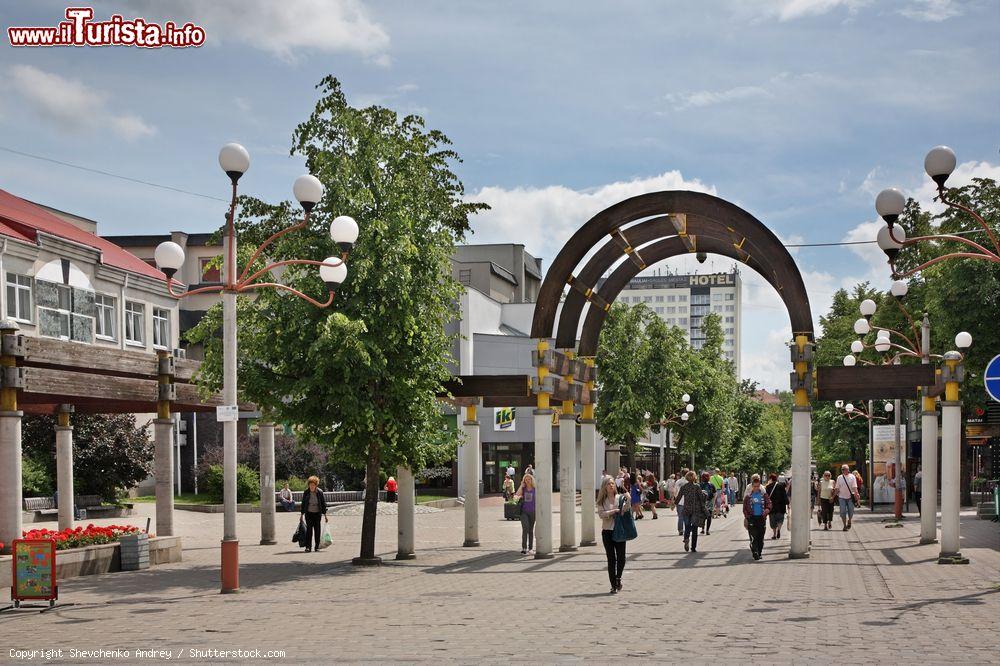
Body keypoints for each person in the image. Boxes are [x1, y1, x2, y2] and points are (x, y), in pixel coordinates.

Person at [597, 475, 629, 593]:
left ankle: (618, 578)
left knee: (621, 558)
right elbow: (601, 514)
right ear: (604, 487)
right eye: (608, 484)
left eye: (612, 483)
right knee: (611, 559)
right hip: (607, 532)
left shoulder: (620, 498)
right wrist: (613, 511)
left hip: (619, 531)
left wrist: (628, 500)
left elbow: (626, 511)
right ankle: (613, 585)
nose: (611, 485)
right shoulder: (601, 500)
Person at [675, 471, 708, 552]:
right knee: (694, 529)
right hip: (695, 510)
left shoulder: (684, 487)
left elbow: (678, 498)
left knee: (687, 526)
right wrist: (705, 495)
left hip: (686, 509)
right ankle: (693, 548)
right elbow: (701, 498)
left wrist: (674, 504)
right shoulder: (697, 487)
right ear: (694, 478)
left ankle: (686, 539)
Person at [743, 474, 771, 560]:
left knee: (760, 537)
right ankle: (755, 552)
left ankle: (759, 551)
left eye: (757, 486)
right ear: (752, 486)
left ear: (759, 486)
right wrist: (747, 517)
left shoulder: (763, 495)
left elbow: (769, 503)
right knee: (753, 536)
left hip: (761, 518)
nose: (756, 488)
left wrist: (767, 509)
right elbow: (744, 508)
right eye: (754, 486)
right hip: (752, 518)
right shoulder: (748, 497)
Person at [299, 476, 328, 552]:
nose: (311, 486)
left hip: (317, 514)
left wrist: (325, 515)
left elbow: (323, 504)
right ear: (308, 485)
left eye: (313, 485)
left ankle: (317, 546)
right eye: (310, 485)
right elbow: (303, 504)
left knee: (317, 530)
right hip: (308, 514)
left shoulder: (320, 492)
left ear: (316, 485)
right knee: (309, 531)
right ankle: (308, 547)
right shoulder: (306, 492)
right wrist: (301, 515)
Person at [514, 473, 536, 554]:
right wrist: (521, 486)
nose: (527, 481)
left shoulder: (535, 489)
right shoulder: (523, 489)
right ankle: (524, 548)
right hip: (524, 512)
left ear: (531, 480)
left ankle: (531, 548)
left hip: (533, 512)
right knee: (525, 528)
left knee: (530, 530)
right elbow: (516, 495)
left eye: (529, 479)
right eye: (525, 479)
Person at [836, 464, 861, 530]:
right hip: (841, 497)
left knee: (851, 511)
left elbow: (855, 487)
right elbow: (837, 488)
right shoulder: (839, 477)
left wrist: (857, 494)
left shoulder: (852, 477)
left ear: (848, 469)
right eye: (843, 469)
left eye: (845, 469)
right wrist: (834, 496)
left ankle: (849, 520)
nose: (844, 470)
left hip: (850, 497)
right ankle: (844, 525)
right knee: (842, 511)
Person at [767, 475, 789, 539]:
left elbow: (767, 497)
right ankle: (779, 529)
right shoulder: (781, 486)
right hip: (781, 506)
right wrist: (787, 503)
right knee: (780, 519)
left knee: (773, 521)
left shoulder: (768, 487)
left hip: (772, 507)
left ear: (771, 479)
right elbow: (785, 495)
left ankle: (774, 534)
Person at [674, 468, 690, 535]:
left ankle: (680, 530)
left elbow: (675, 492)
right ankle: (687, 529)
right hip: (687, 502)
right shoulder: (689, 482)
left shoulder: (678, 482)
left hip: (679, 501)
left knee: (680, 516)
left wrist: (676, 498)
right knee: (687, 516)